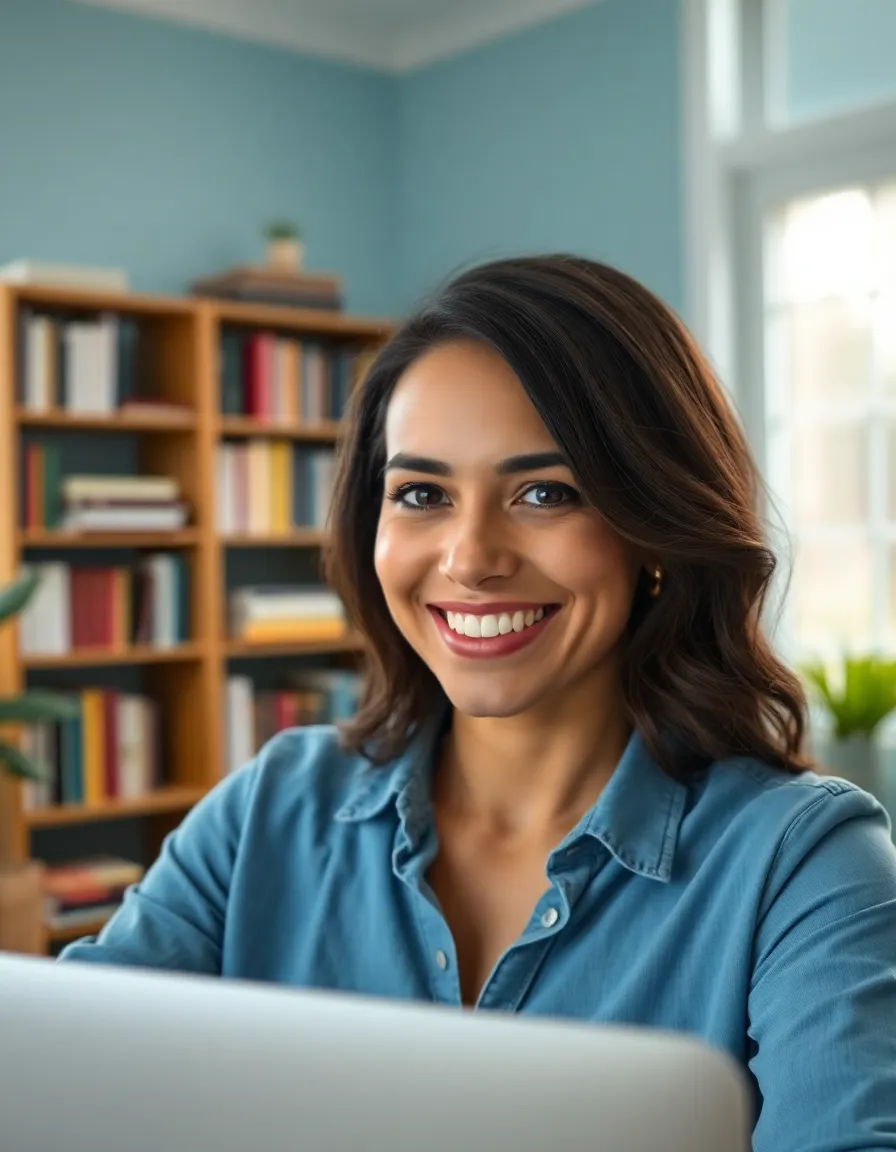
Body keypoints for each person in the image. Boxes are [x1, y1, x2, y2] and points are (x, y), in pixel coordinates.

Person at [60, 255, 896, 1149]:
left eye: (545, 493)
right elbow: (64, 1078)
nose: (469, 557)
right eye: (422, 494)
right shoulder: (268, 812)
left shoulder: (805, 866)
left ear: (655, 529)